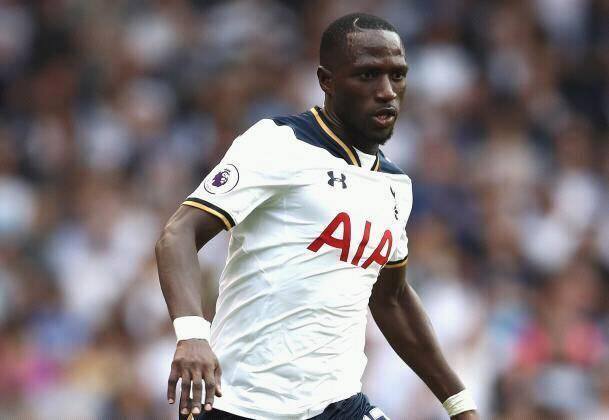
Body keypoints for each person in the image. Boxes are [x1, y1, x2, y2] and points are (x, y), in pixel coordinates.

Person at [156, 13, 479, 420]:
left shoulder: (395, 185)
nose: (386, 91)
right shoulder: (279, 143)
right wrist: (191, 335)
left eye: (397, 75)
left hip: (337, 404)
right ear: (327, 80)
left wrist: (459, 404)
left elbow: (392, 298)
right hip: (242, 403)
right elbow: (179, 235)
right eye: (368, 75)